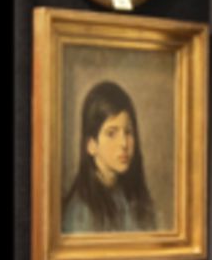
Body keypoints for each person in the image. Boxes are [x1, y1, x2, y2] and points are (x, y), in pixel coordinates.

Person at [63, 81, 156, 233]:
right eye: (111, 134)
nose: (124, 143)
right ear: (91, 145)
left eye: (128, 132)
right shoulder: (80, 213)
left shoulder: (131, 197)